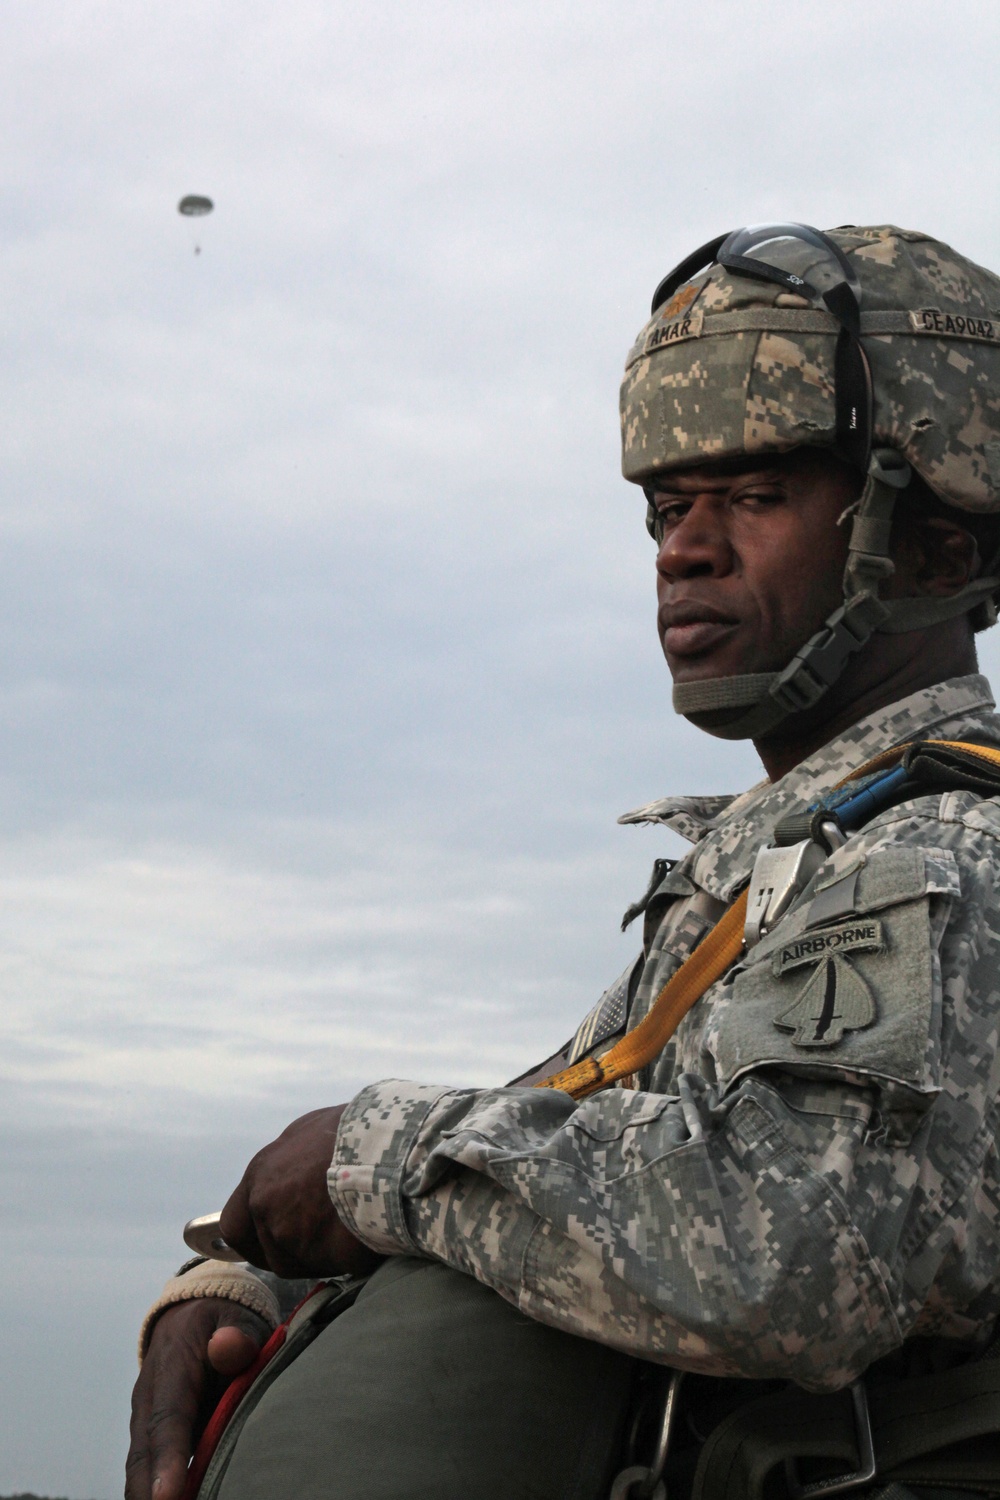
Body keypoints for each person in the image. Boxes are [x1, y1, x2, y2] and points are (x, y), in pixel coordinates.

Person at [126, 223, 1000, 1500]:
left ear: (938, 547)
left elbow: (800, 1259)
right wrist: (238, 1285)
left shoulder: (944, 851)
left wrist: (373, 1159)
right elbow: (577, 1128)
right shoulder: (799, 856)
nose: (682, 550)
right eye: (666, 506)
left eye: (755, 497)